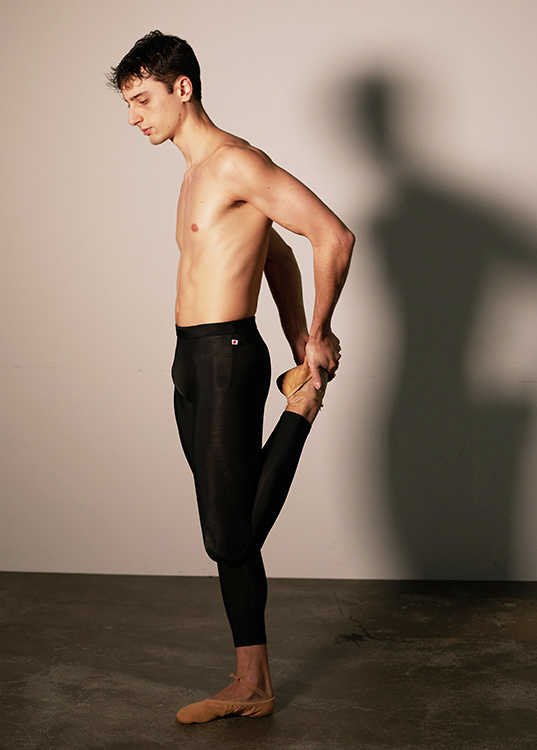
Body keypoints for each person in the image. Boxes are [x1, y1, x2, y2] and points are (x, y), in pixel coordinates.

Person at [109, 30, 354, 724]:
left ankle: (303, 406)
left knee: (227, 536)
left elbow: (331, 235)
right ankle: (252, 683)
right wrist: (295, 331)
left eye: (142, 99)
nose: (134, 117)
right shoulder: (194, 173)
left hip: (227, 358)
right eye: (128, 104)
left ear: (182, 88)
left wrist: (316, 338)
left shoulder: (234, 163)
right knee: (231, 530)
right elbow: (274, 252)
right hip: (191, 360)